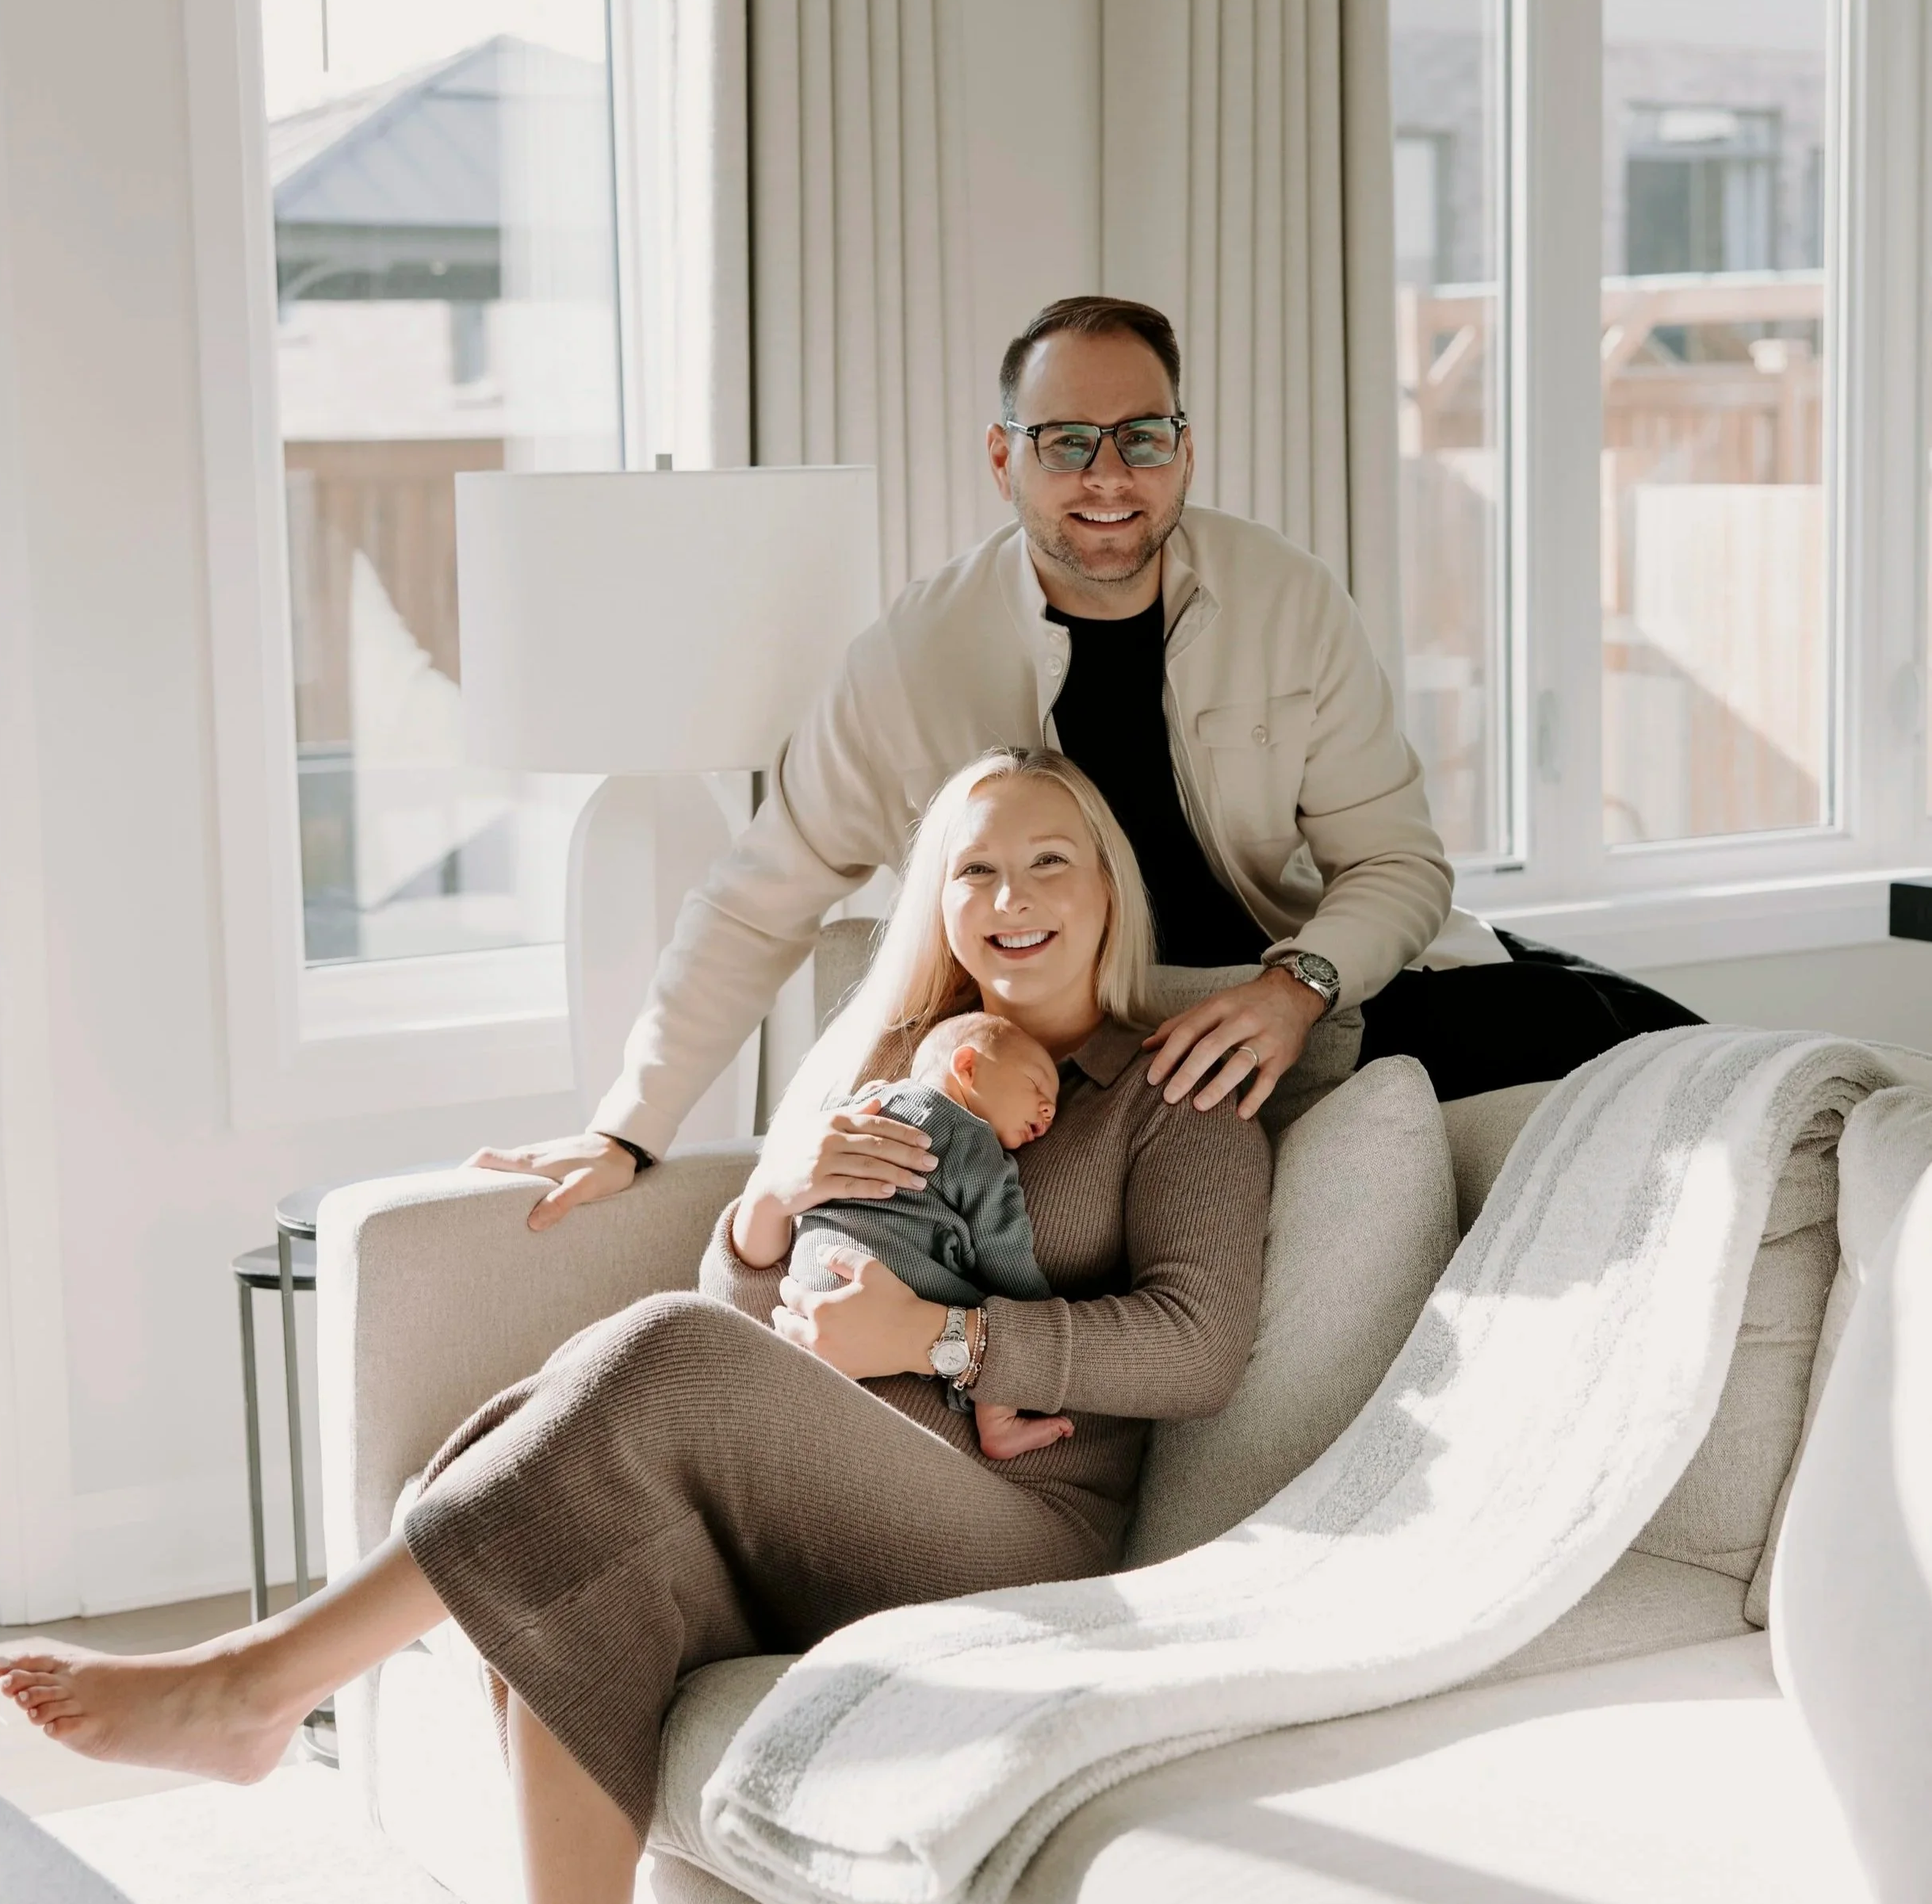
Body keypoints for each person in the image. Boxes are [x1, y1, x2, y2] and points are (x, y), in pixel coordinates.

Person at [0, 748, 1268, 1904]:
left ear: (1111, 888)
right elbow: (755, 1311)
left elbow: (1196, 1341)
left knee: (646, 1353)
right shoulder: (890, 1057)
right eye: (975, 869)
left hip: (1008, 1529)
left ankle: (265, 1679)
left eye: (1050, 863)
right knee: (578, 1550)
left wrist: (946, 1343)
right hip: (811, 1493)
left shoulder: (1173, 1086)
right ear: (937, 899)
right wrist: (771, 1204)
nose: (1010, 900)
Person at [476, 294, 1693, 1231]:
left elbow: (1397, 864)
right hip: (1113, 1045)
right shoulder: (914, 656)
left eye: (1142, 436)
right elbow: (758, 902)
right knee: (1607, 1029)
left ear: (1186, 451)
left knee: (1645, 1033)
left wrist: (1297, 986)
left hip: (1312, 1001)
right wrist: (627, 1130)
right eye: (1067, 442)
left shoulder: (1283, 594)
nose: (1109, 476)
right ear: (1003, 459)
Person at [790, 1007, 1071, 1464]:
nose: (1049, 1107)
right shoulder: (971, 1139)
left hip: (812, 1265)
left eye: (1052, 1101)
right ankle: (997, 1422)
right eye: (1036, 1085)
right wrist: (1032, 1313)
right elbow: (1004, 1243)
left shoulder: (871, 1101)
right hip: (887, 1265)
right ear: (967, 1066)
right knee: (992, 1317)